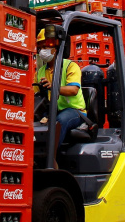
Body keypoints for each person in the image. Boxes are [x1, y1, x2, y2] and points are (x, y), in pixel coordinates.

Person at [34, 26, 87, 156]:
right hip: (52, 110)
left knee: (59, 122)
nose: (42, 51)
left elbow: (73, 90)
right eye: (40, 47)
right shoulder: (40, 72)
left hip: (74, 111)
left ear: (55, 47)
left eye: (45, 46)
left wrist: (53, 86)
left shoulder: (70, 66)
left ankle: (50, 158)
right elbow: (35, 95)